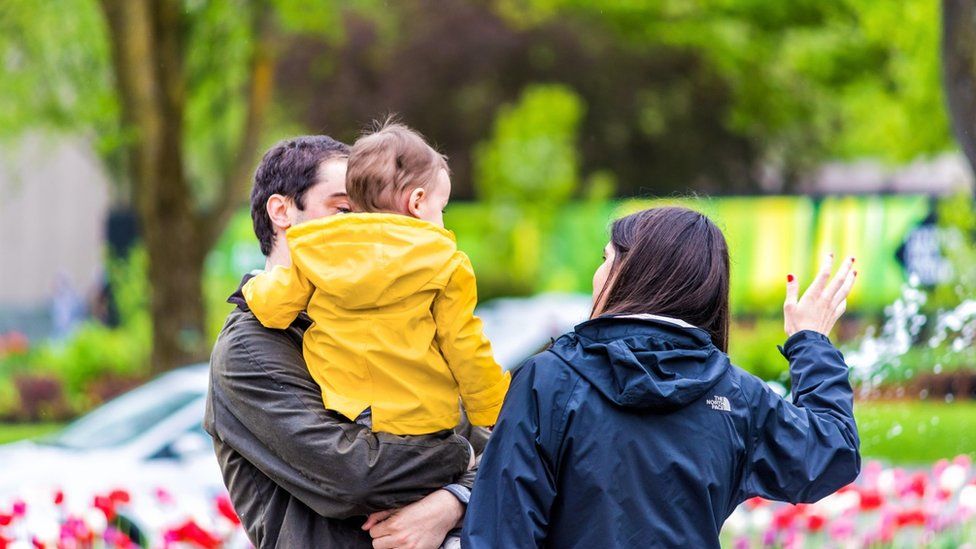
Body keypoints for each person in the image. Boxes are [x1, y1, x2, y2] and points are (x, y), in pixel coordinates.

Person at [462, 206, 861, 548]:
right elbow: (831, 452)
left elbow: (499, 531)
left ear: (632, 271)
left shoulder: (548, 381)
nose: (597, 275)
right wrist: (811, 340)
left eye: (605, 259)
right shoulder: (735, 396)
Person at [204, 135, 488, 549]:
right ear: (282, 212)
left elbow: (498, 448)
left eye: (370, 210)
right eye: (343, 209)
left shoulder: (397, 315)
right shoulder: (249, 348)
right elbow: (355, 476)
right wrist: (460, 456)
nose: (365, 225)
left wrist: (452, 502)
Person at [242, 121, 510, 437]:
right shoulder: (445, 262)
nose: (441, 221)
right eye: (443, 210)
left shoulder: (316, 252)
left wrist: (252, 284)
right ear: (418, 202)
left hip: (350, 414)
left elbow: (274, 308)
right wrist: (492, 409)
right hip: (425, 419)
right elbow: (465, 345)